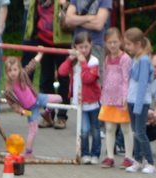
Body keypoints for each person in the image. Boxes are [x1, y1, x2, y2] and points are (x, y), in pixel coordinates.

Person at [22, 0, 68, 128]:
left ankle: (62, 116)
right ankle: (48, 115)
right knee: (46, 79)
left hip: (62, 42)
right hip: (43, 41)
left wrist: (66, 4)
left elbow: (73, 9)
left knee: (63, 78)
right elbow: (31, 16)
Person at [2, 54, 58, 158]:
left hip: (38, 98)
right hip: (30, 109)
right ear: (6, 73)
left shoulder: (23, 74)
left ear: (19, 69)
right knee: (33, 129)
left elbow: (31, 65)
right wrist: (21, 111)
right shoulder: (8, 89)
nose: (13, 73)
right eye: (10, 71)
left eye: (15, 69)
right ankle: (28, 152)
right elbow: (13, 104)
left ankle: (46, 113)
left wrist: (40, 53)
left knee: (59, 98)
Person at [60, 30, 101, 164]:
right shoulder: (74, 61)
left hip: (93, 101)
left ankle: (95, 154)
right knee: (84, 130)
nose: (83, 50)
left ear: (91, 45)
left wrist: (83, 63)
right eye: (80, 47)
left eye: (86, 47)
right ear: (75, 48)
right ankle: (85, 153)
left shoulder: (94, 61)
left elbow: (88, 78)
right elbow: (61, 72)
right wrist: (69, 59)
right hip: (80, 102)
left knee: (95, 130)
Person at [97, 27, 132, 169]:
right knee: (109, 127)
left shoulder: (125, 59)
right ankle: (110, 156)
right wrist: (103, 95)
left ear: (121, 42)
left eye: (115, 42)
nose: (112, 45)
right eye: (110, 42)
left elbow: (126, 79)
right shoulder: (106, 58)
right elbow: (105, 78)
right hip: (109, 98)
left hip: (121, 98)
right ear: (105, 43)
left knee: (126, 128)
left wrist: (125, 97)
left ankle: (129, 157)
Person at [124, 27, 155, 174]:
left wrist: (137, 104)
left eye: (129, 44)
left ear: (138, 44)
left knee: (140, 132)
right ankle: (138, 160)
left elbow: (142, 83)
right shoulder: (135, 58)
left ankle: (150, 162)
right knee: (135, 132)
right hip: (132, 100)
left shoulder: (143, 60)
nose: (127, 47)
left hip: (140, 102)